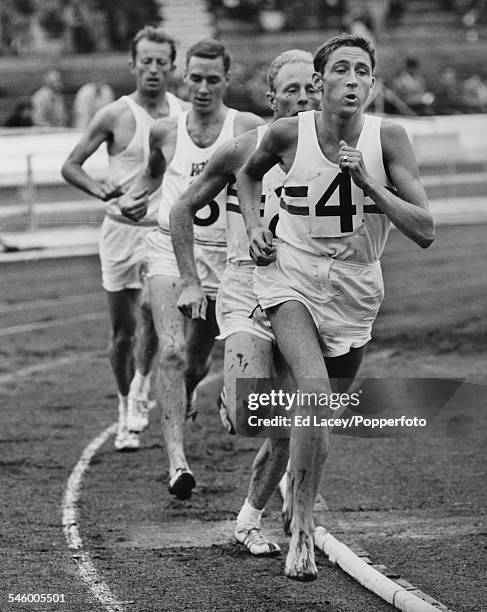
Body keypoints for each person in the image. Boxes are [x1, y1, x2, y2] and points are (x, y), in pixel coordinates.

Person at [238, 33, 434, 581]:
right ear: (321, 83)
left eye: (363, 72)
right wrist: (255, 225)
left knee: (321, 415)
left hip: (355, 289)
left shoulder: (388, 137)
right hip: (290, 276)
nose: (353, 80)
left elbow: (425, 230)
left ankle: (297, 500)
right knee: (313, 391)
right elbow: (248, 174)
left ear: (373, 83)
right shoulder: (285, 133)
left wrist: (367, 181)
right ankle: (300, 530)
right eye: (342, 70)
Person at [170, 49, 321, 556]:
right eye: (292, 90)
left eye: (310, 88)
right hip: (244, 289)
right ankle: (231, 393)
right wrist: (190, 281)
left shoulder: (333, 150)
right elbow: (183, 208)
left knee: (287, 423)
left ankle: (249, 520)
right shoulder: (242, 149)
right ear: (271, 97)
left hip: (302, 294)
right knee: (250, 415)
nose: (303, 98)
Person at [124, 38, 264, 501]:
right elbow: (153, 173)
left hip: (223, 256)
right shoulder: (165, 130)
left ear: (227, 79)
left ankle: (183, 396)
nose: (203, 87)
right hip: (171, 247)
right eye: (196, 78)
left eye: (212, 79)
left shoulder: (246, 127)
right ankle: (177, 463)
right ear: (185, 77)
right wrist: (134, 195)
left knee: (197, 362)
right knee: (171, 351)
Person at [61, 27, 187, 451]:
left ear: (172, 66)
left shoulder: (184, 115)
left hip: (162, 234)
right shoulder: (115, 115)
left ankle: (141, 391)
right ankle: (123, 405)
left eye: (161, 61)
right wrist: (101, 191)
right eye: (145, 61)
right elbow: (72, 165)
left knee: (153, 314)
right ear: (132, 65)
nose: (153, 69)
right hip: (119, 231)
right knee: (123, 333)